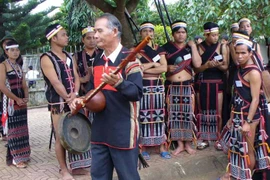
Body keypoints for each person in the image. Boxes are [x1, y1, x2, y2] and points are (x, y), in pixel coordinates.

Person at [70, 13, 143, 180]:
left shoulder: (130, 60)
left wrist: (120, 83)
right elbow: (91, 90)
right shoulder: (98, 60)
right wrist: (81, 100)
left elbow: (137, 93)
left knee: (128, 176)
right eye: (95, 31)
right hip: (100, 131)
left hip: (123, 131)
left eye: (99, 31)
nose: (95, 35)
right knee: (99, 176)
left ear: (114, 31)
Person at [40, 23, 90, 180]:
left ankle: (77, 167)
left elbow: (76, 77)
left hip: (73, 99)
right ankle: (64, 170)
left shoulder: (69, 56)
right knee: (61, 136)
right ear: (53, 38)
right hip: (58, 103)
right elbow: (55, 82)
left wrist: (74, 94)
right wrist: (69, 98)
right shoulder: (46, 58)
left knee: (77, 131)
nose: (67, 37)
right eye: (63, 35)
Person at [218, 39, 270, 180]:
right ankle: (236, 174)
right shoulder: (240, 69)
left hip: (249, 116)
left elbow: (255, 99)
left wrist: (247, 122)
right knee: (236, 148)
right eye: (237, 53)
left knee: (248, 149)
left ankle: (246, 176)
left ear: (250, 53)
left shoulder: (253, 72)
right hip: (237, 114)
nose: (240, 56)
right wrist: (230, 117)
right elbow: (236, 95)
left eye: (243, 53)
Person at [162, 20, 202, 155]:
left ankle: (188, 143)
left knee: (188, 114)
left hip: (187, 85)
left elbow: (197, 64)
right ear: (173, 34)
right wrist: (166, 67)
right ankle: (179, 144)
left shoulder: (190, 47)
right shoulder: (165, 47)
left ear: (186, 34)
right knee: (174, 115)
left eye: (183, 32)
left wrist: (193, 46)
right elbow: (160, 66)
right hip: (172, 86)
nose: (180, 35)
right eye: (178, 32)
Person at [136, 21, 170, 160]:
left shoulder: (158, 48)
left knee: (159, 116)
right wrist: (153, 64)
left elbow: (164, 68)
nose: (148, 34)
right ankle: (143, 147)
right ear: (141, 34)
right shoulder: (137, 50)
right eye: (145, 31)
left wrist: (146, 67)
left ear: (153, 33)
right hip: (143, 85)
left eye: (150, 31)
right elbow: (138, 69)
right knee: (143, 116)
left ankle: (161, 146)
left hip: (157, 85)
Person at [194, 22, 228, 150]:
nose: (215, 38)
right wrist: (207, 66)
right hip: (202, 82)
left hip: (217, 82)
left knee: (217, 110)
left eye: (217, 35)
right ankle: (204, 137)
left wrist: (217, 65)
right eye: (213, 35)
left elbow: (225, 67)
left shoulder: (222, 46)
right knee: (203, 111)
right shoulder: (198, 48)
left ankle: (218, 137)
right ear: (206, 35)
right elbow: (196, 70)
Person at [0, 39, 31, 168]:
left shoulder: (18, 66)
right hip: (10, 102)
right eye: (12, 50)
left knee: (22, 129)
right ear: (6, 52)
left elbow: (24, 85)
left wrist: (26, 97)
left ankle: (23, 155)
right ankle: (15, 158)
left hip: (20, 102)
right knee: (13, 131)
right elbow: (2, 86)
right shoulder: (2, 65)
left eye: (17, 50)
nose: (15, 52)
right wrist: (15, 99)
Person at [73, 26, 100, 96]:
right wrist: (83, 79)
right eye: (88, 38)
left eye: (94, 38)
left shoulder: (102, 53)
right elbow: (71, 76)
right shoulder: (76, 56)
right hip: (84, 93)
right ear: (83, 39)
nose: (92, 41)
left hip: (102, 91)